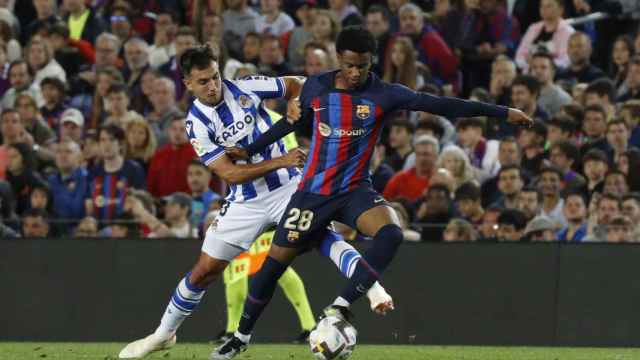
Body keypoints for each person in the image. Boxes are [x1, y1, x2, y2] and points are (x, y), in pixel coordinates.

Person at [215, 26, 532, 358]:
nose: (355, 73)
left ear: (372, 62)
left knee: (392, 233)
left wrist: (503, 112)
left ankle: (338, 307)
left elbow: (441, 104)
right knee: (271, 268)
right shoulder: (315, 88)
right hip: (312, 193)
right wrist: (250, 149)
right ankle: (240, 337)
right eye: (350, 65)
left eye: (362, 66)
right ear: (339, 58)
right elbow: (291, 123)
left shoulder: (385, 93)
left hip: (355, 191)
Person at [118, 45, 389, 359]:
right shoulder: (197, 124)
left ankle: (372, 288)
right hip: (246, 201)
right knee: (204, 271)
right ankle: (163, 335)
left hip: (288, 187)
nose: (213, 86)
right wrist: (280, 160)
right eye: (203, 81)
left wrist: (295, 103)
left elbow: (297, 84)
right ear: (188, 84)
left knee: (322, 235)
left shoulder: (245, 86)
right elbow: (230, 174)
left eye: (216, 77)